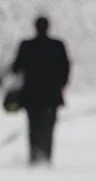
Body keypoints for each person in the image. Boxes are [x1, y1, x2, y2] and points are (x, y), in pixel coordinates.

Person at [4, 16, 70, 166]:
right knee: (48, 126)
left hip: (31, 95)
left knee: (33, 125)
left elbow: (17, 66)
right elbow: (65, 68)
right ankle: (46, 156)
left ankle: (34, 156)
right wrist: (61, 84)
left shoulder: (26, 45)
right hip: (51, 95)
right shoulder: (57, 45)